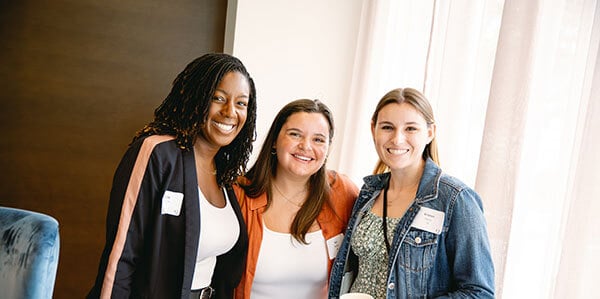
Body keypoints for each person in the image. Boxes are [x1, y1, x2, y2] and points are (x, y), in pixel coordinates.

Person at [87, 53, 257, 299]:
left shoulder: (225, 174)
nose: (230, 112)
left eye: (241, 103)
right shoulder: (157, 152)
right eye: (218, 98)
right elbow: (121, 254)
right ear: (196, 97)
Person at [328, 88, 495, 298]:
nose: (397, 139)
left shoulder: (455, 199)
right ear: (373, 130)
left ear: (430, 132)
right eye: (387, 127)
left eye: (411, 129)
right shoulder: (368, 194)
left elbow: (479, 293)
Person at [234, 99, 359, 299]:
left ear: (327, 149)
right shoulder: (239, 194)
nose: (306, 146)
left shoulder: (342, 192)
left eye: (318, 139)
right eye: (295, 134)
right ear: (274, 140)